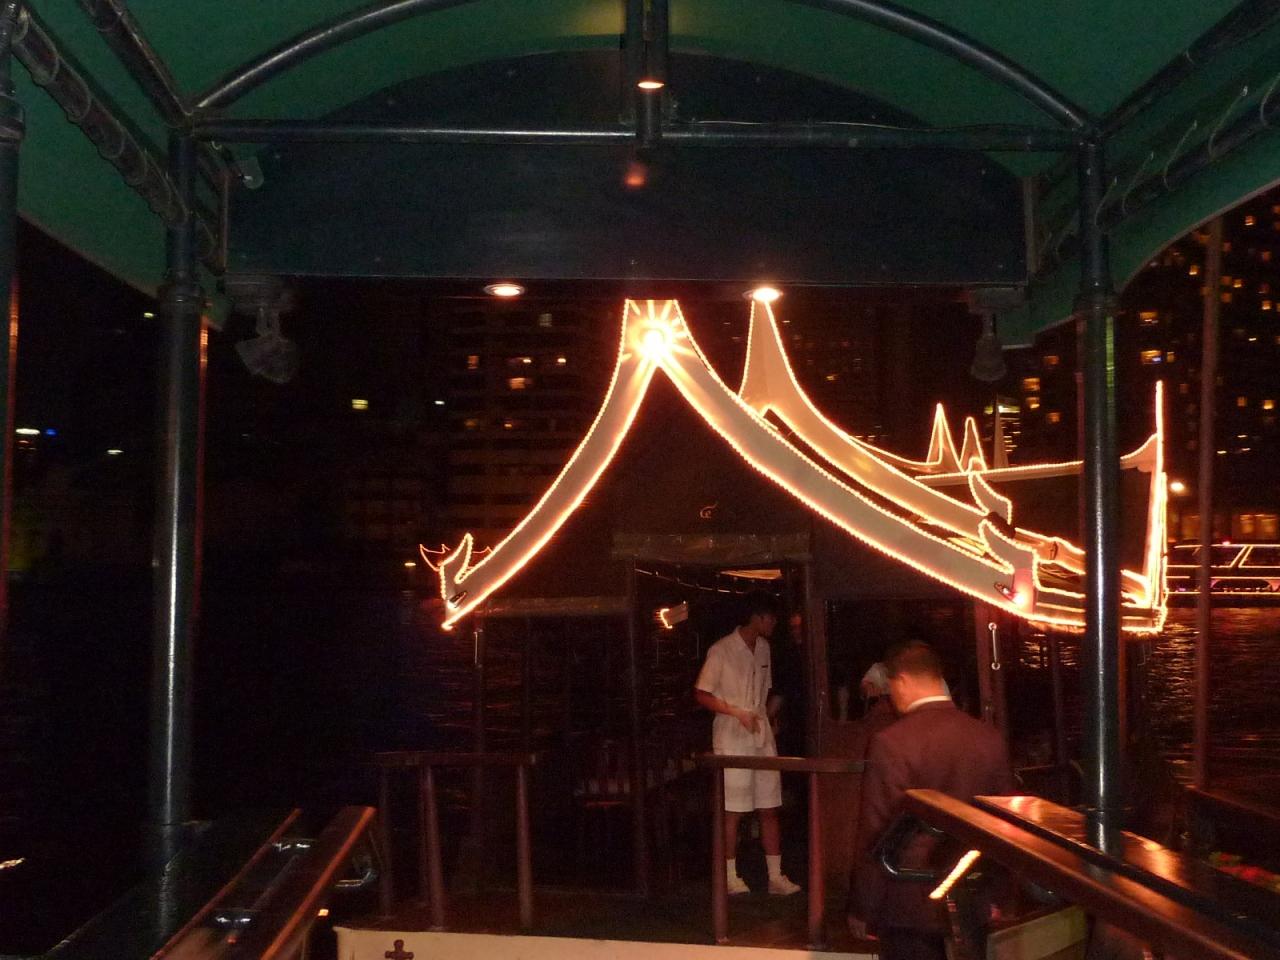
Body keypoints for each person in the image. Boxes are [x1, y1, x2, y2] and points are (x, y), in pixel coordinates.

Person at [848, 640, 1013, 960]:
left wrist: (863, 906)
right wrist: (1001, 895)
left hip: (908, 899)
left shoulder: (891, 742)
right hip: (971, 891)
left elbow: (877, 827)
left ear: (901, 681)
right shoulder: (988, 738)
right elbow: (1005, 823)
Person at [695, 591, 801, 896]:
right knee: (733, 809)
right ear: (756, 617)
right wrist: (735, 712)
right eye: (771, 618)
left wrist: (768, 717)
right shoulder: (722, 650)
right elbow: (701, 693)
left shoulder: (764, 648)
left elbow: (766, 691)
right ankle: (729, 876)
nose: (774, 624)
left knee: (769, 805)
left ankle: (775, 876)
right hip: (731, 735)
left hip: (760, 733)